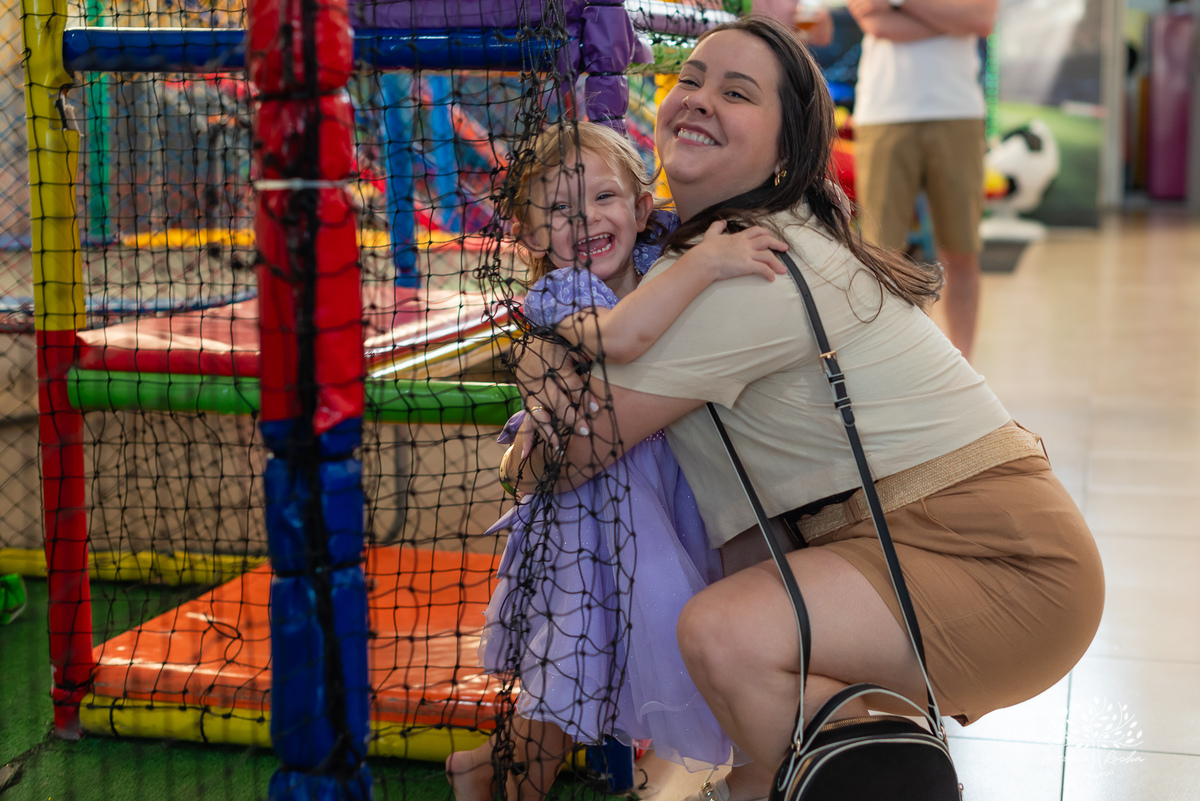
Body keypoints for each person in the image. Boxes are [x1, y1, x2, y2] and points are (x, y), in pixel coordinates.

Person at [509, 18, 1104, 801]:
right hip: (918, 539)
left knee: (725, 634)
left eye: (737, 92)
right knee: (754, 692)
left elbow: (560, 459)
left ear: (785, 150)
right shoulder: (703, 249)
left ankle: (890, 782)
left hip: (998, 559)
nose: (699, 100)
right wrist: (546, 351)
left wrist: (541, 368)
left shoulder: (744, 266)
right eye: (690, 79)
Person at [447, 121, 788, 801]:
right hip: (583, 531)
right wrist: (705, 264)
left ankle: (488, 766)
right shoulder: (564, 298)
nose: (586, 220)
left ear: (639, 208)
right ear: (532, 235)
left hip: (660, 508)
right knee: (564, 687)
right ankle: (497, 777)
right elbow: (625, 337)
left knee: (627, 670)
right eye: (560, 211)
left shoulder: (663, 255)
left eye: (605, 198)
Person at [846, 0, 999, 361]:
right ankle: (885, 367)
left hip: (957, 110)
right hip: (884, 110)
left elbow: (982, 17)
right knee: (880, 257)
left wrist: (900, 4)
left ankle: (965, 369)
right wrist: (949, 18)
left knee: (962, 251)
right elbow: (874, 21)